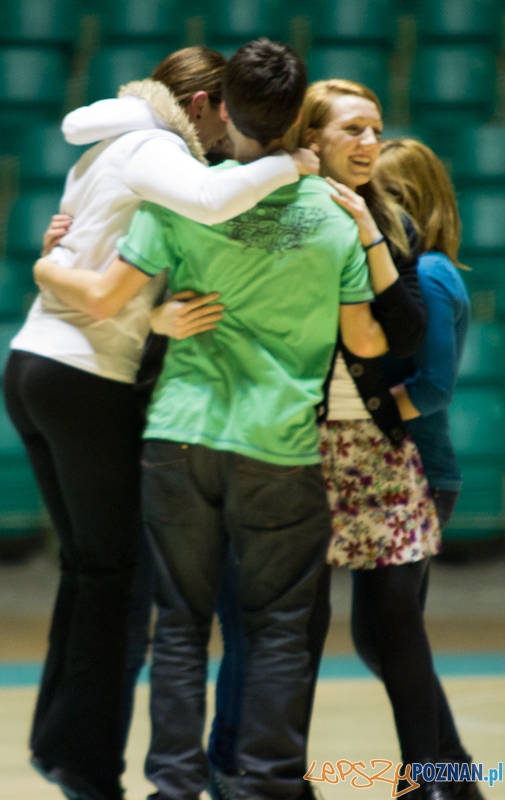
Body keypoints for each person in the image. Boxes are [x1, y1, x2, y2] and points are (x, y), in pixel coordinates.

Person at [32, 38, 405, 800]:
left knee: (177, 627)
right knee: (273, 630)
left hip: (181, 435)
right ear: (300, 121)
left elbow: (110, 295)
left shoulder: (180, 202)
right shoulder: (333, 216)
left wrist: (45, 265)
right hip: (280, 446)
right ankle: (264, 783)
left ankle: (173, 784)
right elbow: (367, 340)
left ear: (223, 109)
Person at [206, 79, 457, 800]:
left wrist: (370, 234)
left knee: (397, 627)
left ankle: (429, 780)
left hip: (373, 445)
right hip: (297, 446)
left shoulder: (386, 217)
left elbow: (405, 331)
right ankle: (286, 779)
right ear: (308, 138)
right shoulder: (277, 210)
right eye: (351, 130)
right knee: (298, 629)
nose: (369, 144)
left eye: (375, 129)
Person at [355, 138, 481, 800]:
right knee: (380, 638)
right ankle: (451, 774)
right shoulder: (422, 270)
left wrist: (364, 413)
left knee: (388, 634)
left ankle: (439, 776)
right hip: (406, 474)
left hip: (420, 474)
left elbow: (431, 386)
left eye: (383, 194)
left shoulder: (428, 273)